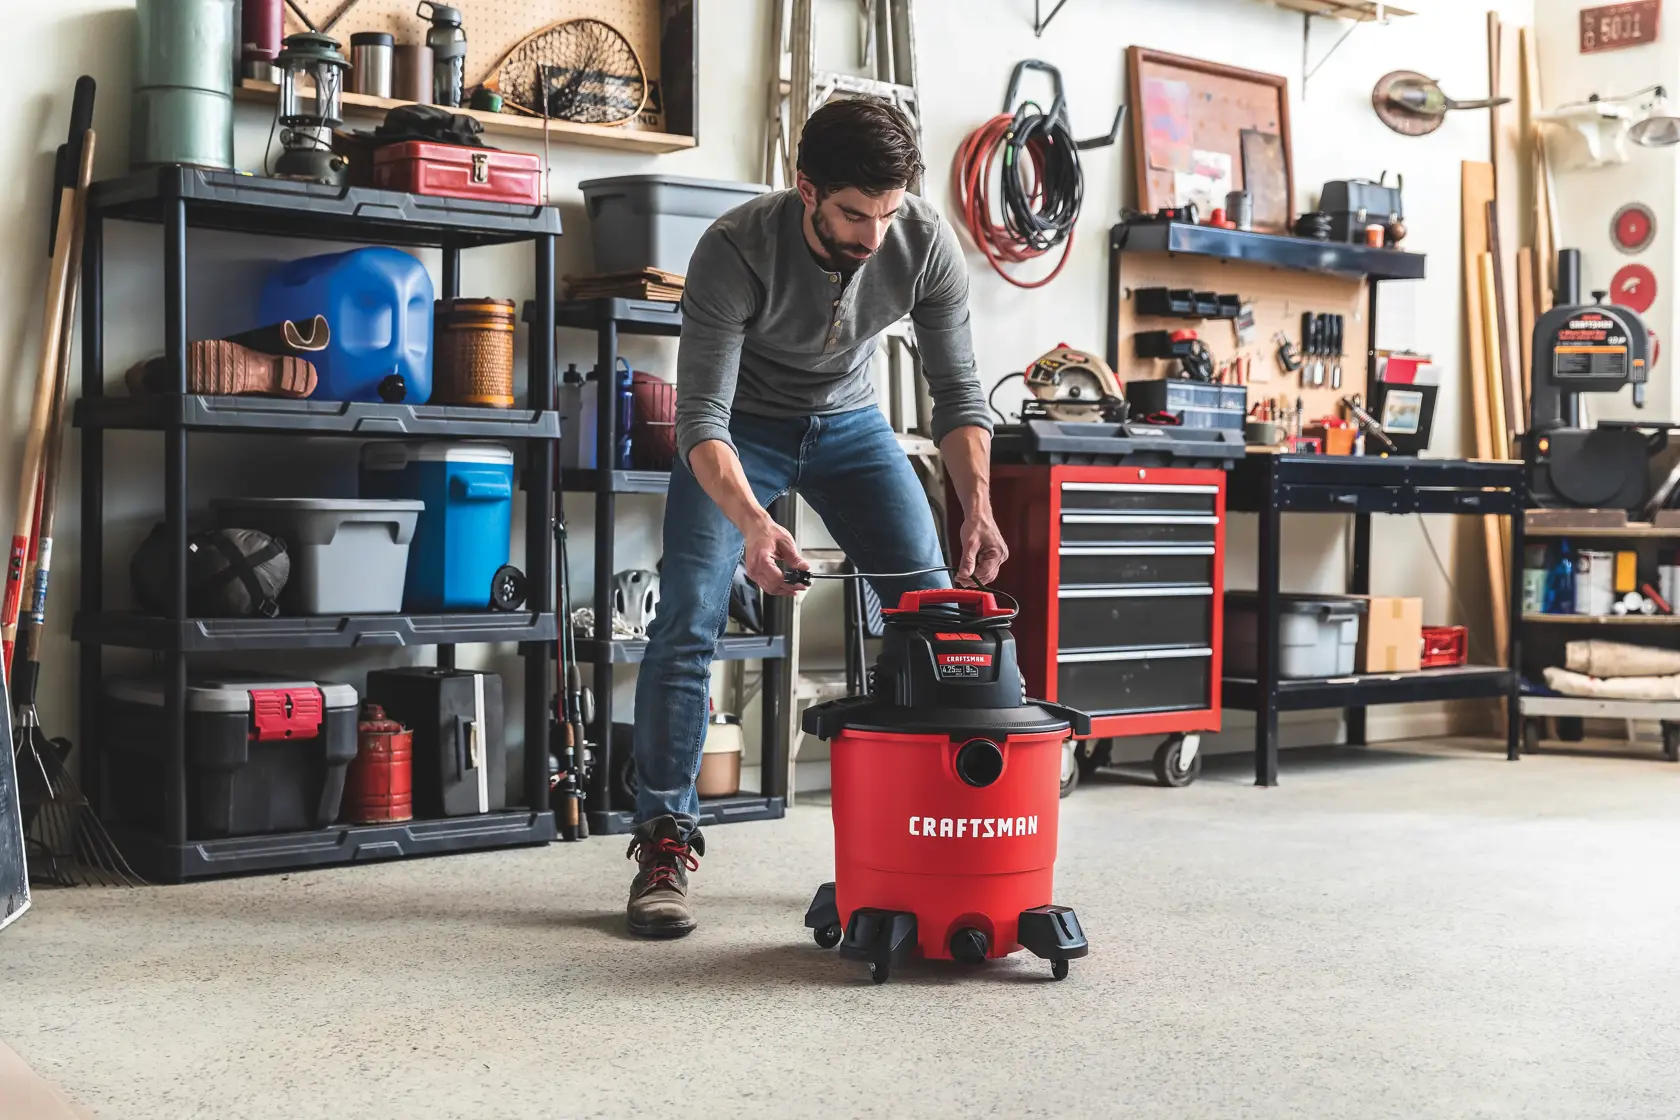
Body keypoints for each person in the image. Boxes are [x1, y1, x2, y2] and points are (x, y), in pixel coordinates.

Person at [624, 98, 1006, 939]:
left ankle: (930, 829)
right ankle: (663, 839)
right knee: (689, 609)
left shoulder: (925, 242)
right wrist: (756, 525)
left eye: (888, 214)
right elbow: (701, 425)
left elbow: (959, 393)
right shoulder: (732, 249)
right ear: (805, 190)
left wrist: (974, 503)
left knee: (938, 611)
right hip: (742, 434)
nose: (873, 236)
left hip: (853, 426)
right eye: (852, 214)